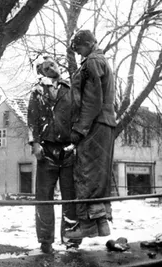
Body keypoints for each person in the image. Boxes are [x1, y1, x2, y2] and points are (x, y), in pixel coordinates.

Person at [64, 30, 116, 239]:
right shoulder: (101, 61)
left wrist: (79, 129)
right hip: (105, 123)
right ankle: (101, 224)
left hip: (94, 124)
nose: (78, 54)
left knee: (86, 172)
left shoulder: (92, 62)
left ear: (86, 44)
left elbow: (92, 100)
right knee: (98, 175)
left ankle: (86, 225)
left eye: (78, 49)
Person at [27, 56, 81, 254]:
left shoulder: (71, 88)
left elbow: (80, 115)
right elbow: (32, 119)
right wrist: (35, 144)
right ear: (41, 73)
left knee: (70, 196)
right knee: (44, 197)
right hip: (47, 151)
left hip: (68, 150)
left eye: (52, 64)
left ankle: (72, 239)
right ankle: (45, 241)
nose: (51, 68)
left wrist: (76, 141)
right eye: (45, 68)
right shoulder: (37, 92)